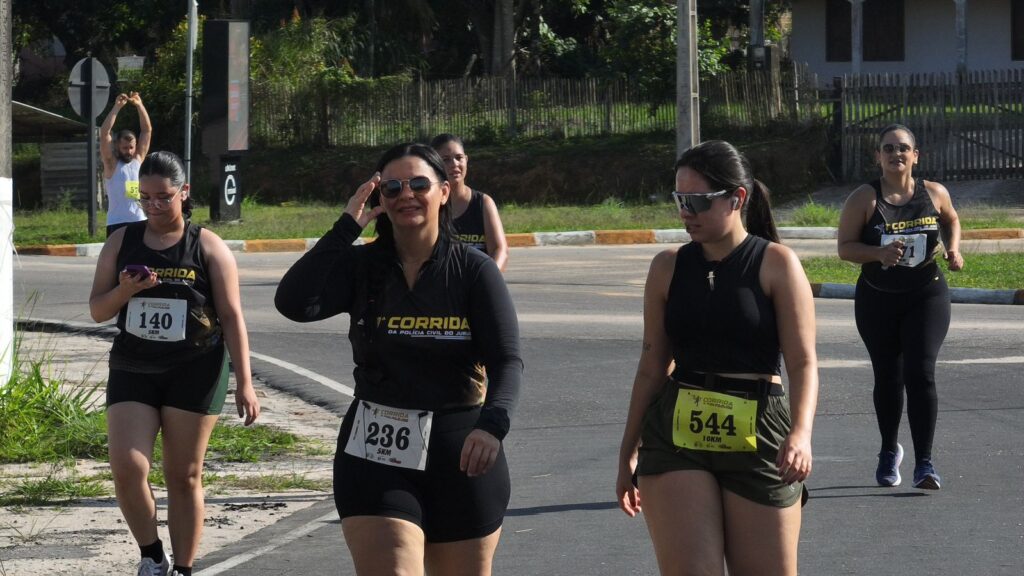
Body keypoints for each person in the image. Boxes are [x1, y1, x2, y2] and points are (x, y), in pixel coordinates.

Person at [275, 143, 523, 575]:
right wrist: (344, 228)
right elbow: (294, 302)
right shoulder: (362, 266)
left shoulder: (473, 270)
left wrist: (493, 426)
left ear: (444, 192)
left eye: (419, 184)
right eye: (391, 187)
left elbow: (508, 360)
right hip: (375, 448)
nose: (405, 194)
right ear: (378, 198)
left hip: (462, 452)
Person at [616, 140, 819, 576]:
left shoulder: (776, 264)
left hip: (760, 430)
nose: (685, 212)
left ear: (737, 199)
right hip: (677, 435)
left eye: (697, 201)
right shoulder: (667, 267)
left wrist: (800, 433)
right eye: (678, 200)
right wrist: (627, 453)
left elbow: (803, 363)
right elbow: (652, 366)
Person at [89, 151, 260, 576]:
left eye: (163, 197)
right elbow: (97, 310)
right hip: (134, 365)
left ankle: (183, 568)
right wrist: (125, 291)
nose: (153, 206)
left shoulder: (206, 245)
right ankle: (152, 555)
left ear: (184, 193)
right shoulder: (121, 241)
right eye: (144, 197)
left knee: (183, 475)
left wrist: (245, 382)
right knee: (128, 467)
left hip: (196, 367)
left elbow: (233, 316)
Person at [837, 124, 963, 490]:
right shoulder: (865, 198)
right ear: (878, 157)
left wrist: (954, 248)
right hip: (877, 298)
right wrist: (877, 253)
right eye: (888, 148)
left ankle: (925, 462)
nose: (896, 154)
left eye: (903, 148)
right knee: (888, 378)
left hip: (926, 294)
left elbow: (951, 219)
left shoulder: (934, 192)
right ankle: (889, 450)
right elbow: (845, 247)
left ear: (915, 155)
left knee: (921, 373)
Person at [430, 134, 510, 271]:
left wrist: (488, 279)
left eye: (459, 158)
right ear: (433, 164)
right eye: (446, 160)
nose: (454, 164)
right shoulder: (428, 204)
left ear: (466, 160)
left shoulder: (483, 203)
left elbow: (500, 249)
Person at [100, 91, 153, 236]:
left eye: (131, 147)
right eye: (125, 148)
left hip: (140, 220)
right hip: (117, 223)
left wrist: (140, 105)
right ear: (117, 146)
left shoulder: (138, 160)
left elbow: (146, 131)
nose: (129, 151)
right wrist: (116, 108)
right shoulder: (111, 164)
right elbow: (105, 133)